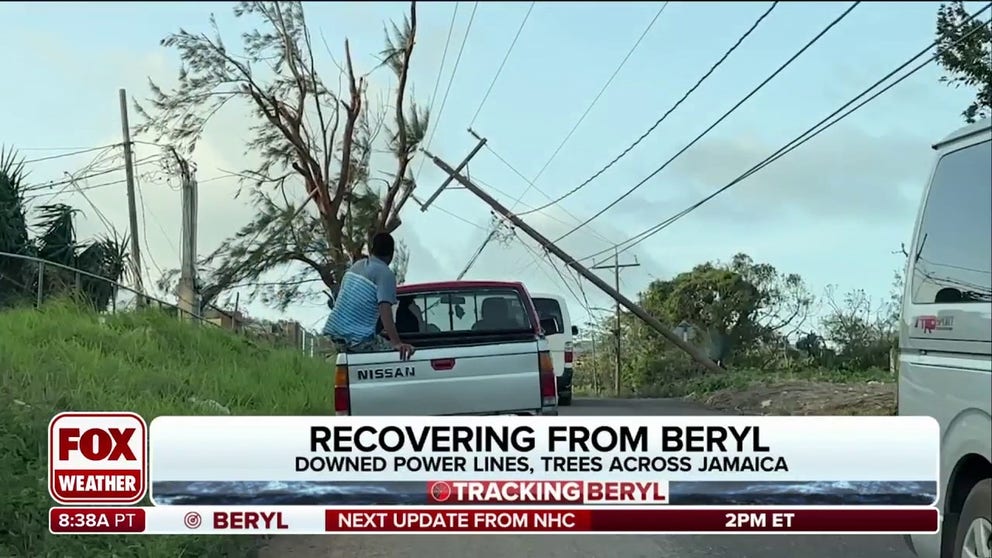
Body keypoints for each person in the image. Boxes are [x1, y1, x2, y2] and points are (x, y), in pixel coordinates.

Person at [323, 232, 415, 360]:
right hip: (359, 340)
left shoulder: (356, 266)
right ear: (391, 254)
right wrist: (396, 343)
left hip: (335, 334)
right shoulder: (385, 274)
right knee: (395, 356)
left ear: (372, 250)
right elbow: (384, 310)